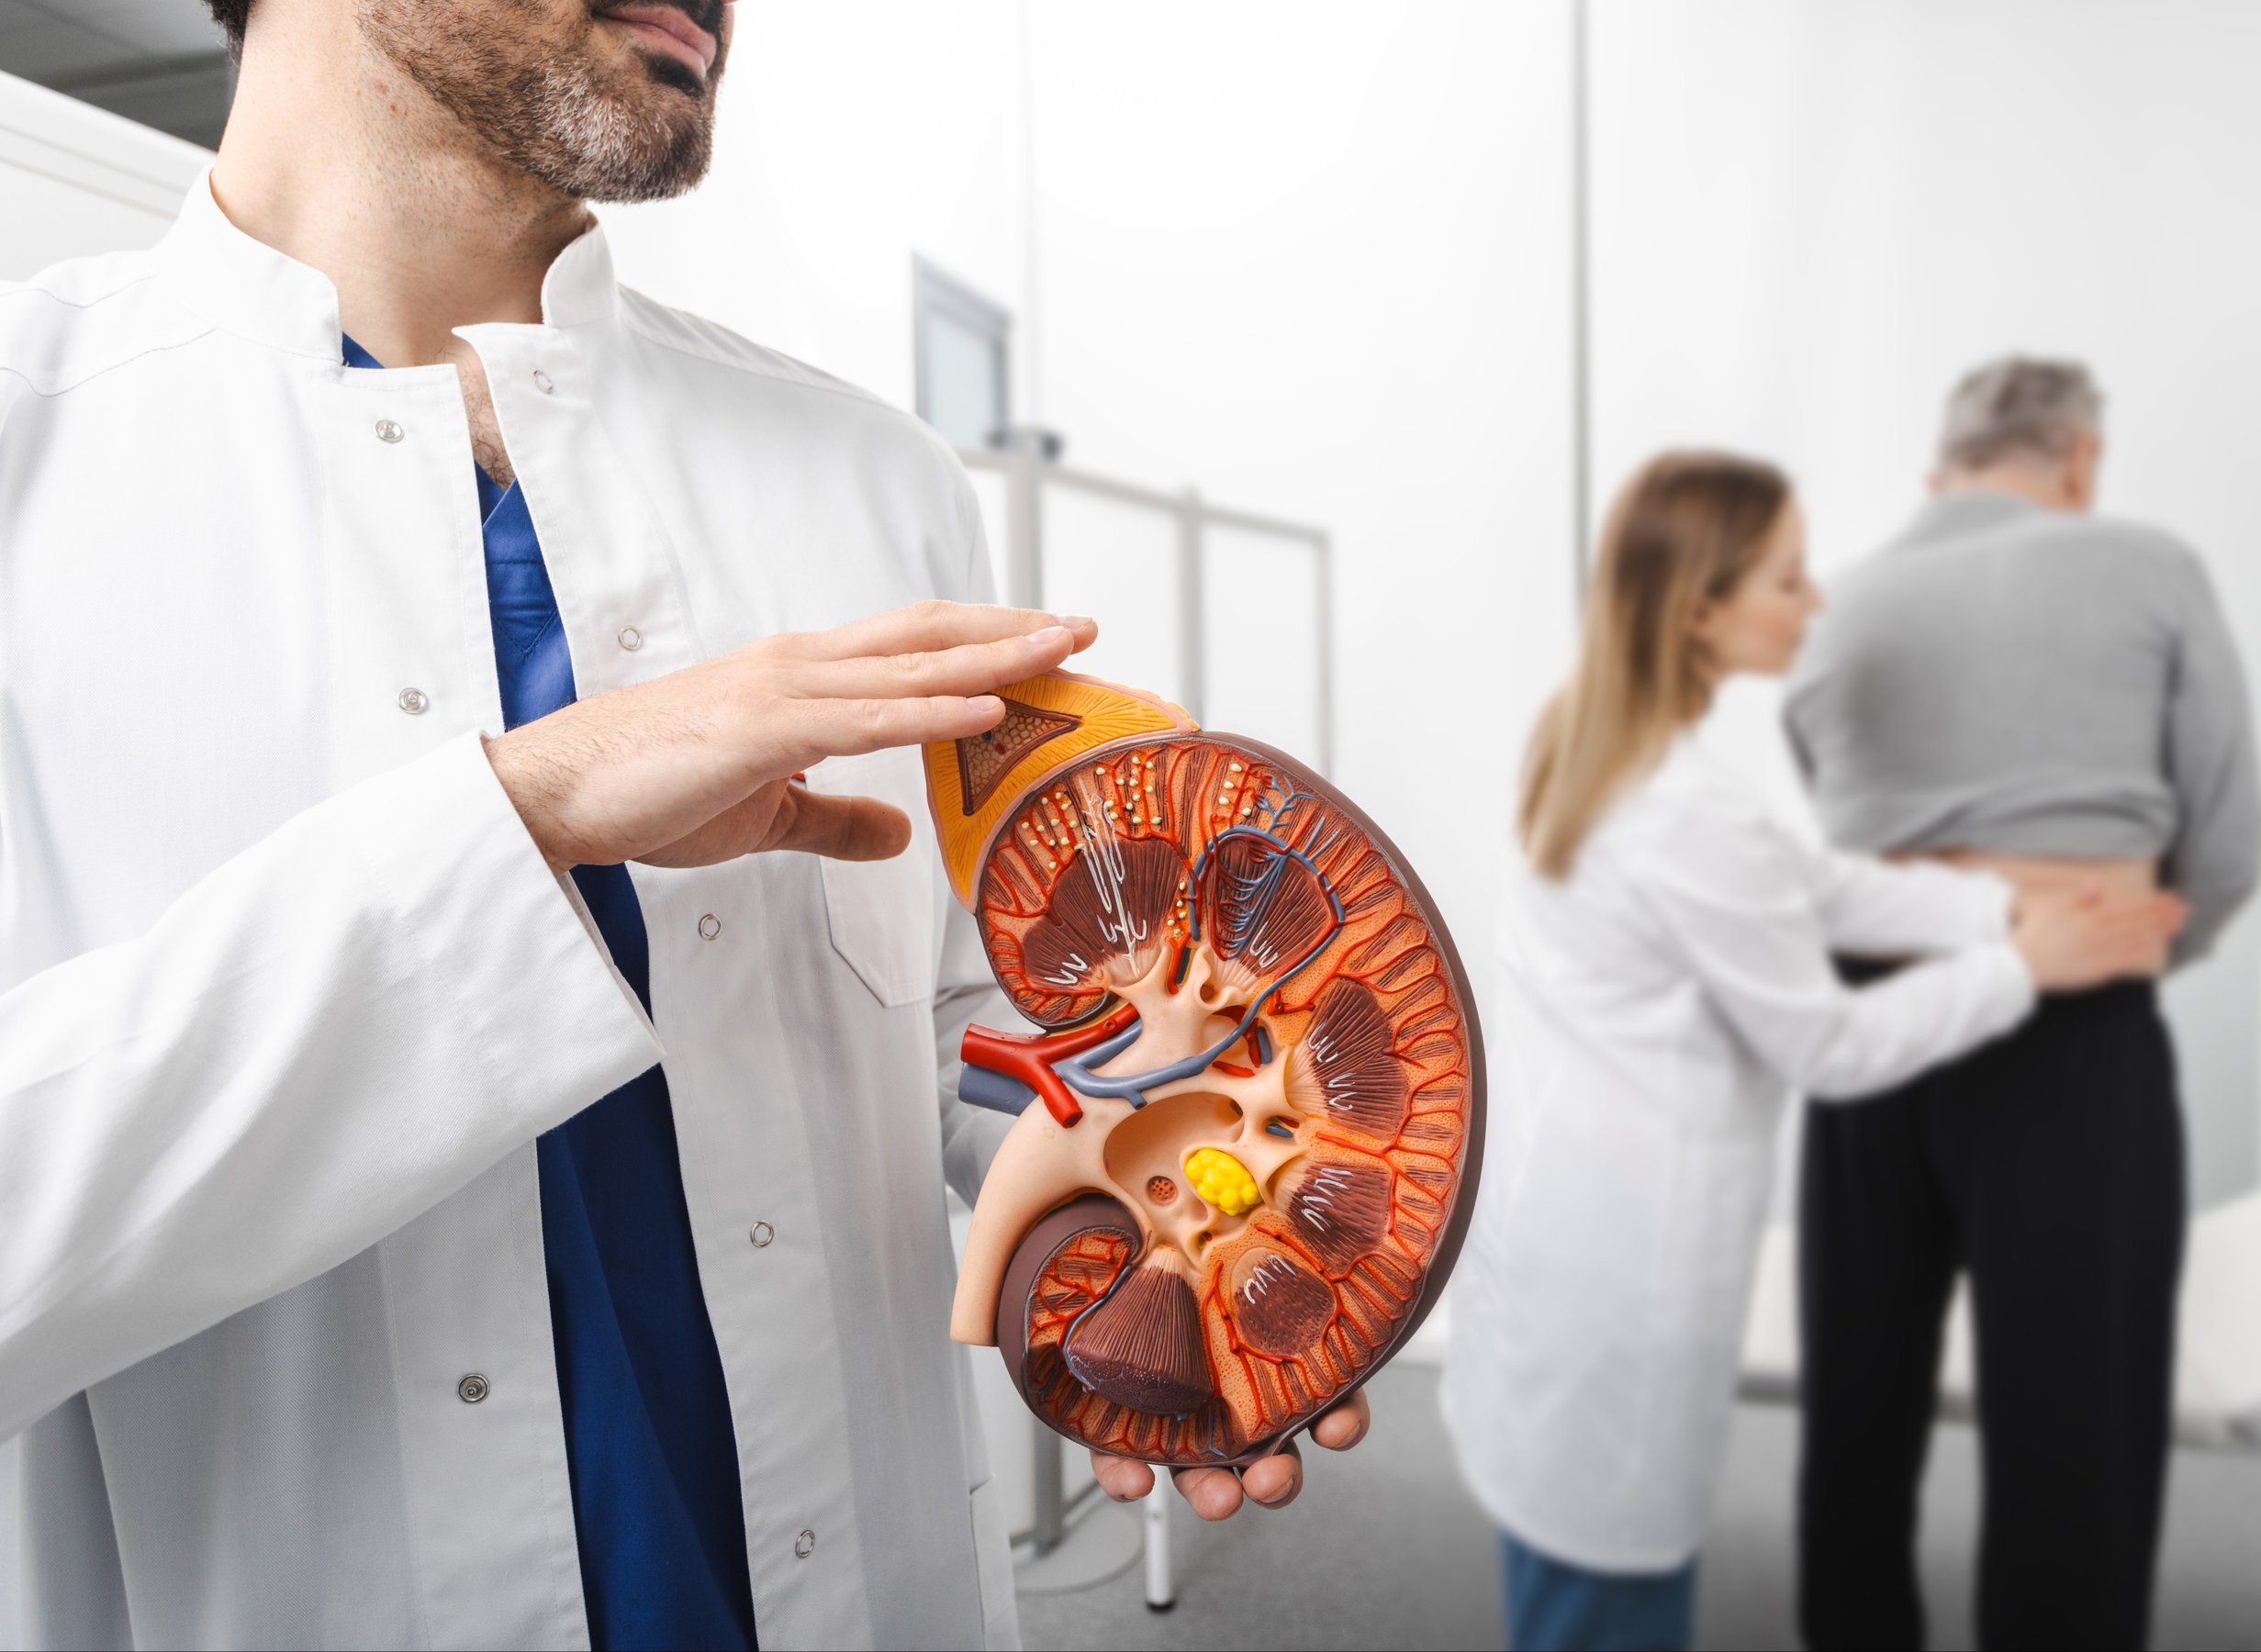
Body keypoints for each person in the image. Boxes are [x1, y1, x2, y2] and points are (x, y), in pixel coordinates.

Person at [0, 2, 1360, 1646]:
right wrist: (526, 818)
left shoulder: (870, 475)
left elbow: (951, 1026)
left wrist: (1164, 1209)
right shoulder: (33, 449)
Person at [1438, 451, 2185, 1652]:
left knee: (1559, 1574)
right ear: (1701, 611)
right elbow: (1831, 1045)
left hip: (1559, 1220)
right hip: (1624, 1274)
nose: (1816, 601)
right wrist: (2022, 967)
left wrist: (1995, 905)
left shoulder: (1590, 741)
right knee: (1605, 1604)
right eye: (1787, 579)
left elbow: (1805, 887)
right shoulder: (1683, 812)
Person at [1782, 356, 2261, 1651]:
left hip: (1870, 1020)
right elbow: (2227, 841)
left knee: (1858, 1407)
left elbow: (1827, 811)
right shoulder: (2150, 566)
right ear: (2078, 459)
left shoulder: (1831, 601)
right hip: (2073, 1041)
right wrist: (2113, 946)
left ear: (1937, 472)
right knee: (2075, 1426)